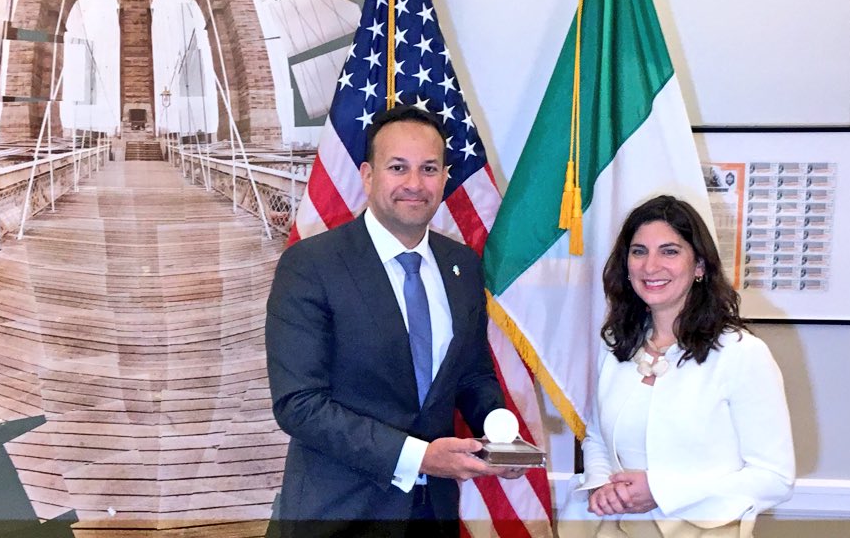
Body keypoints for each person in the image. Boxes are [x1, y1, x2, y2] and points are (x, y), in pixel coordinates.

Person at [265, 105, 522, 538]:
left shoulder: (462, 265)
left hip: (432, 514)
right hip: (337, 515)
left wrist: (501, 435)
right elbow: (299, 404)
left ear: (444, 178)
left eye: (429, 169)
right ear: (367, 175)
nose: (414, 185)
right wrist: (418, 456)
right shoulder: (310, 265)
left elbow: (473, 376)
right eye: (398, 167)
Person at [562, 195, 795, 538]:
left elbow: (775, 478)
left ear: (699, 266)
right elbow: (596, 435)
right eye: (639, 251)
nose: (650, 266)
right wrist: (601, 485)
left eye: (669, 251)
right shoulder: (616, 344)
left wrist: (661, 492)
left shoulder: (741, 354)